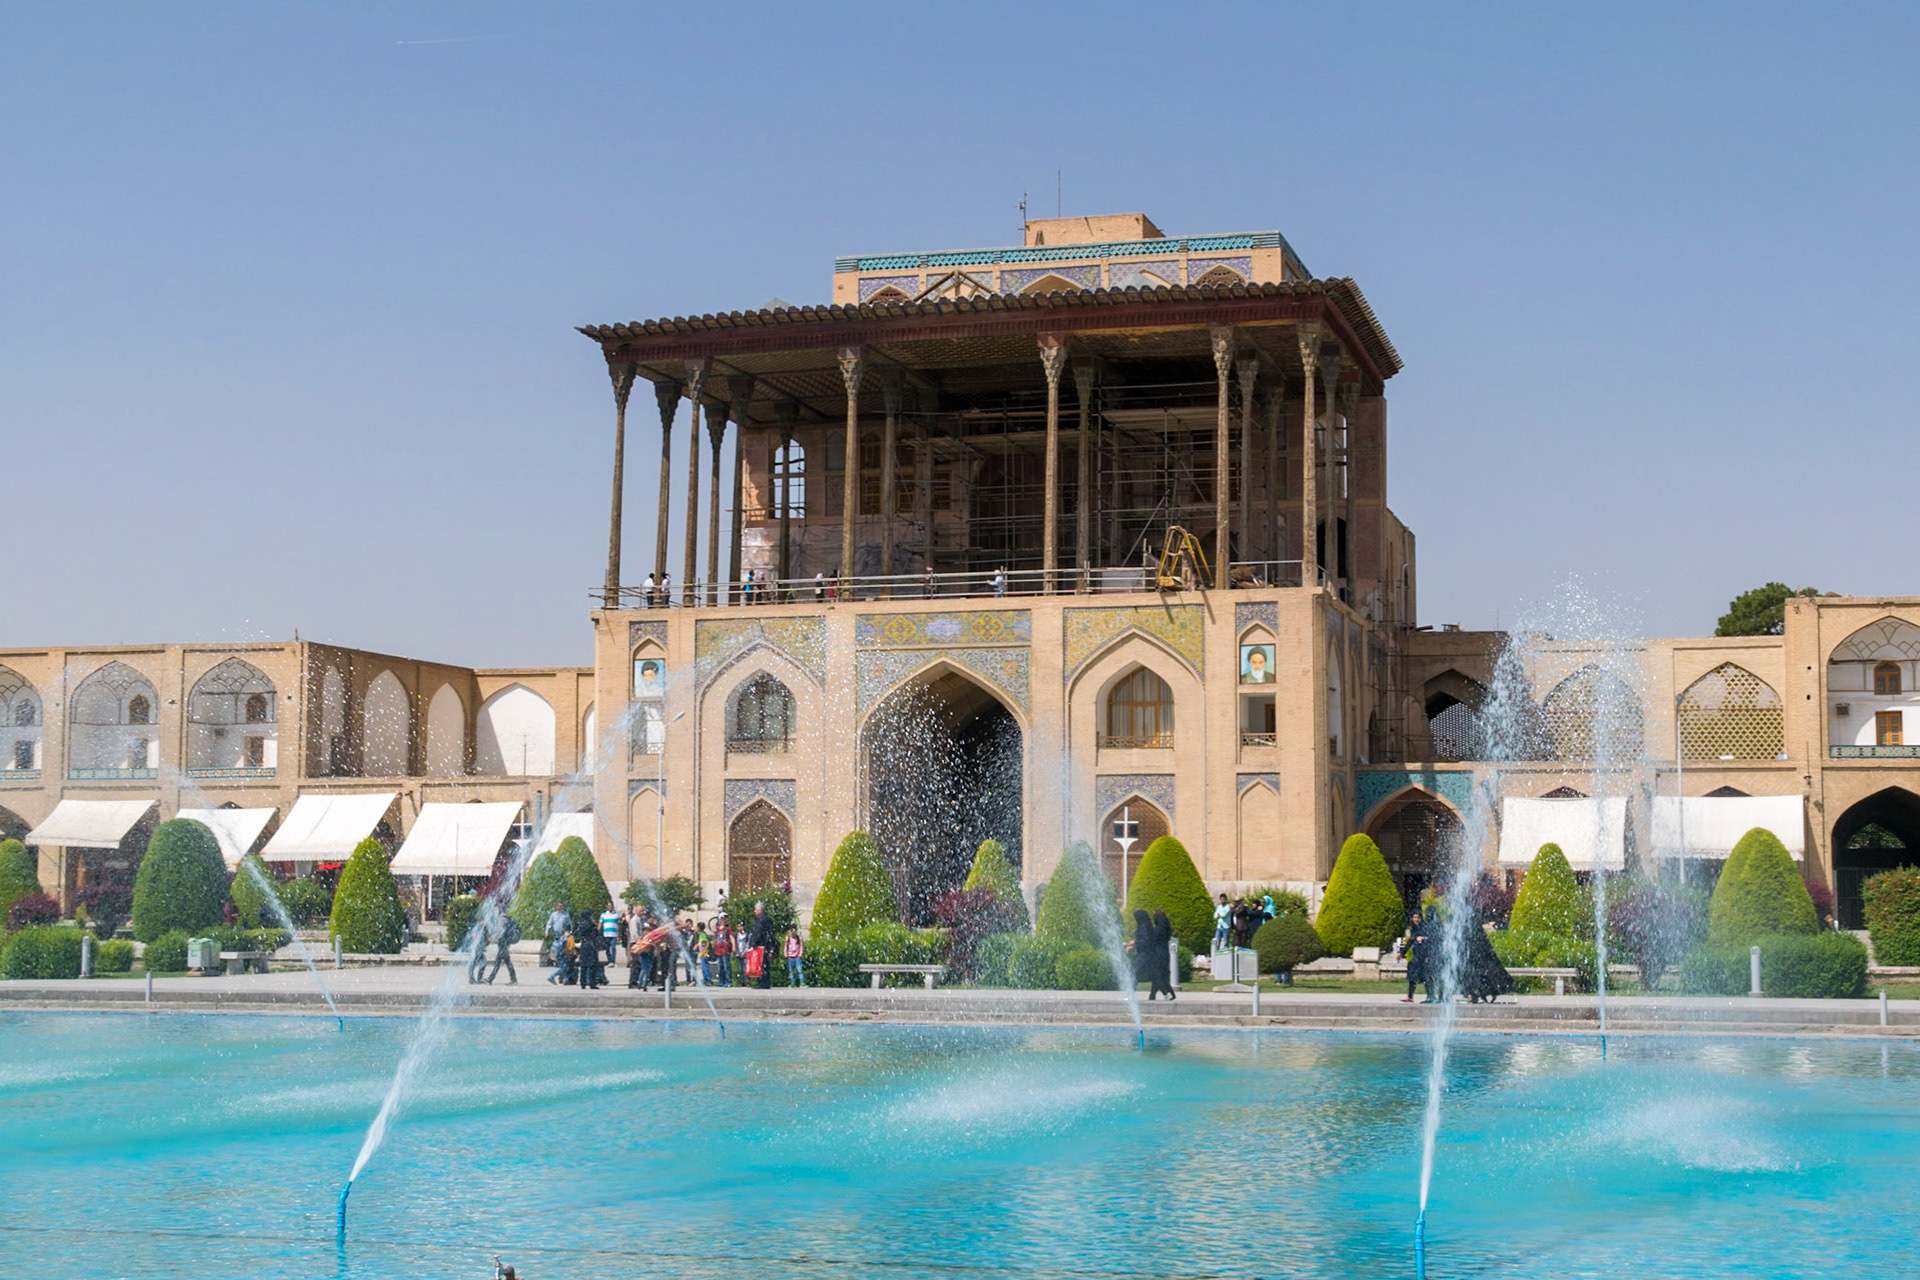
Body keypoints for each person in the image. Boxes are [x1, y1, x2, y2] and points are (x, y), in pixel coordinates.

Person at [1457, 906, 1515, 1003]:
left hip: (1476, 960)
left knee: (1476, 977)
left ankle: (1477, 995)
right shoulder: (1477, 930)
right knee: (1480, 977)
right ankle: (1479, 994)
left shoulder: (1470, 929)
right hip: (1480, 959)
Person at [748, 901, 778, 989]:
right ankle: (766, 982)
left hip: (761, 945)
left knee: (760, 964)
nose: (754, 911)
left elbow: (758, 932)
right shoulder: (767, 919)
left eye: (756, 909)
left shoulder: (760, 919)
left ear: (760, 910)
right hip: (767, 944)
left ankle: (761, 982)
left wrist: (754, 943)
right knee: (765, 964)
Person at [1150, 908, 1177, 1001]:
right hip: (1165, 954)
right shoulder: (1166, 930)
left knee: (1157, 976)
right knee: (1161, 975)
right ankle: (1152, 995)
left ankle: (1166, 993)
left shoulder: (1157, 930)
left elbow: (1151, 941)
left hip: (1158, 954)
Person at [1402, 911, 1428, 1003]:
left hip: (1423, 956)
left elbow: (1430, 939)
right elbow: (1410, 942)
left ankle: (1430, 996)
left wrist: (1423, 939)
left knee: (1424, 977)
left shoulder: (1423, 928)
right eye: (1414, 917)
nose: (1416, 920)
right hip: (1416, 956)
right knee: (1412, 976)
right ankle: (1410, 996)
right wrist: (1402, 952)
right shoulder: (1414, 929)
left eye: (1418, 917)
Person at [488, 912, 520, 985]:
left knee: (498, 962)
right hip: (505, 943)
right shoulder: (506, 918)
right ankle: (513, 979)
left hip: (503, 943)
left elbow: (500, 931)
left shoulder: (502, 919)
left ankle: (490, 979)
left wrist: (492, 938)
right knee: (506, 962)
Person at [466, 916, 491, 984]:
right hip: (476, 949)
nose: (484, 922)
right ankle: (472, 979)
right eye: (483, 921)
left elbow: (487, 940)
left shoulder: (484, 929)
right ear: (480, 921)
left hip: (479, 949)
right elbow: (474, 938)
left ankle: (477, 979)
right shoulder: (477, 929)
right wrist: (477, 948)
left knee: (481, 963)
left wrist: (487, 940)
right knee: (475, 963)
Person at [710, 916, 733, 986]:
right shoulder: (717, 929)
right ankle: (721, 981)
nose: (723, 920)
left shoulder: (728, 928)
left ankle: (728, 981)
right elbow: (715, 937)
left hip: (725, 950)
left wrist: (734, 946)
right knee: (720, 967)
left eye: (724, 919)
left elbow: (731, 937)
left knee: (726, 966)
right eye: (722, 919)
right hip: (718, 950)